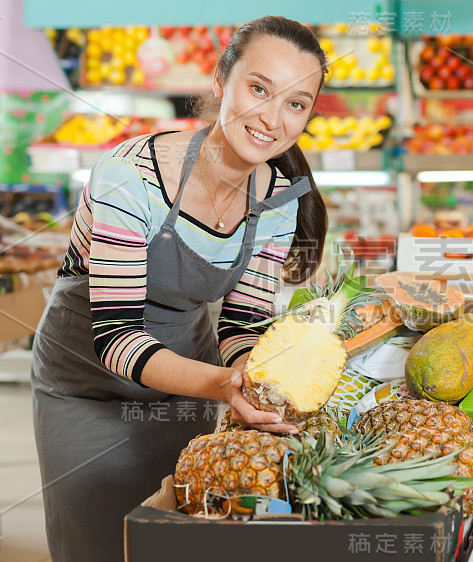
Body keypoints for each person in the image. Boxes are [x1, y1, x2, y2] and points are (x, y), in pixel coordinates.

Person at [30, 16, 328, 562]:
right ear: (221, 81)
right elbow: (116, 337)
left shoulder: (279, 200)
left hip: (185, 385)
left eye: (296, 103)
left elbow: (241, 324)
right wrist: (225, 382)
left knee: (175, 537)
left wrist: (258, 379)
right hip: (88, 386)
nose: (271, 117)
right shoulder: (130, 174)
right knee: (95, 542)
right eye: (258, 89)